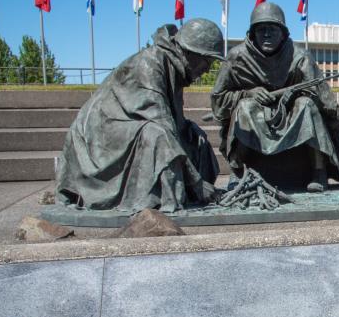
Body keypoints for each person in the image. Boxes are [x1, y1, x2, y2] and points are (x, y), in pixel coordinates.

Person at [55, 19, 223, 213]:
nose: (207, 69)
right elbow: (161, 123)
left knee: (193, 134)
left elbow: (175, 123)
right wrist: (196, 181)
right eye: (207, 61)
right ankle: (161, 201)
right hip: (98, 136)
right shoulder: (150, 63)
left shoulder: (174, 68)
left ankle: (193, 195)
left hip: (127, 126)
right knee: (157, 135)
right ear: (190, 52)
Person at [210, 2, 339, 192]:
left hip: (291, 114)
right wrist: (248, 93)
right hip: (256, 115)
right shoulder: (236, 57)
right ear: (252, 33)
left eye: (272, 29)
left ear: (283, 33)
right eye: (261, 29)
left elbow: (324, 99)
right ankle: (238, 171)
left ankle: (318, 171)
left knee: (307, 105)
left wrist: (295, 95)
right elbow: (219, 99)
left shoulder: (300, 56)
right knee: (245, 108)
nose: (267, 34)